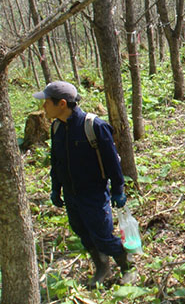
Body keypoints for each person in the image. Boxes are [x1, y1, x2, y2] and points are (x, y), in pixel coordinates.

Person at [33, 81, 136, 286]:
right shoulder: (56, 128)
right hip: (72, 194)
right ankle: (102, 267)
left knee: (102, 235)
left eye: (46, 103)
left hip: (93, 193)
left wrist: (118, 190)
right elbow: (56, 160)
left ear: (62, 103)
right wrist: (56, 188)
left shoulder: (94, 126)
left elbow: (112, 162)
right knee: (83, 232)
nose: (43, 107)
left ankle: (127, 267)